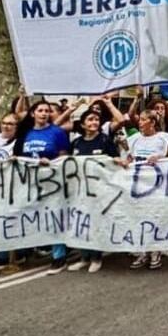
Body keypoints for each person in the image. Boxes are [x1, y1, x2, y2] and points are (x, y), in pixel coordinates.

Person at [11, 99, 71, 274]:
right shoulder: (25, 133)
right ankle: (26, 251)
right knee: (30, 215)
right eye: (40, 110)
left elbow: (64, 158)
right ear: (33, 114)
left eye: (47, 111)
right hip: (29, 182)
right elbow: (18, 155)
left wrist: (51, 163)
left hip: (52, 182)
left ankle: (59, 256)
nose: (44, 113)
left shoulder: (57, 133)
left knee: (54, 217)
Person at [120, 110, 168, 271]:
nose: (140, 123)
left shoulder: (164, 139)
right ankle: (142, 252)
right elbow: (130, 158)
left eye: (144, 120)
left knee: (154, 216)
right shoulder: (134, 139)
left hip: (156, 185)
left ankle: (155, 251)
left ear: (152, 122)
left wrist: (160, 158)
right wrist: (124, 162)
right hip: (137, 185)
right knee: (138, 217)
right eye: (140, 120)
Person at [67, 109, 120, 273]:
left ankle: (97, 257)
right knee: (81, 222)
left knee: (96, 222)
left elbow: (114, 160)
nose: (94, 123)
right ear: (83, 124)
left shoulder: (104, 140)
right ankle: (84, 257)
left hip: (99, 190)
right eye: (90, 120)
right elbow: (68, 164)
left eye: (97, 120)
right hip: (79, 190)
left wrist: (118, 160)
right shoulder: (76, 143)